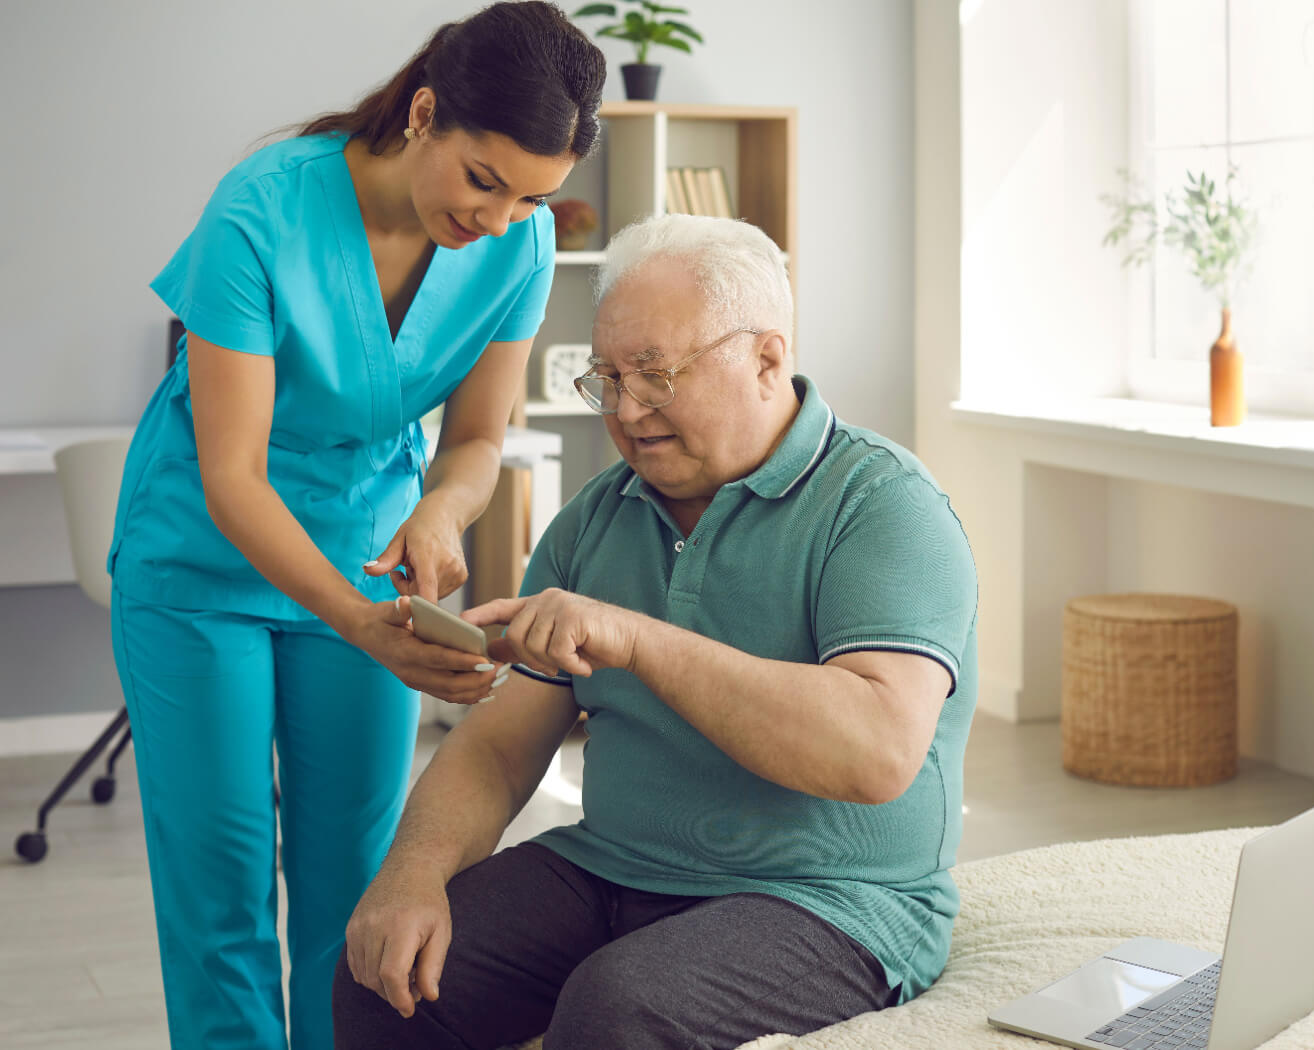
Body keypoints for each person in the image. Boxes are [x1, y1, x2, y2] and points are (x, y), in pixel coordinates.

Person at [332, 214, 980, 1050]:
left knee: (621, 1008)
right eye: (608, 378)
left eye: (656, 375)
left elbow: (876, 751)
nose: (628, 410)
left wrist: (634, 639)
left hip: (834, 899)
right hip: (615, 865)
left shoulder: (883, 505)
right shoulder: (594, 521)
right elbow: (500, 745)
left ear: (767, 359)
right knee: (386, 975)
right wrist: (412, 873)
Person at [105, 5, 605, 1047]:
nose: (503, 218)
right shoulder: (262, 207)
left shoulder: (518, 244)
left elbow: (475, 440)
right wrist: (352, 616)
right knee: (220, 879)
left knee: (355, 874)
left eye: (532, 196)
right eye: (484, 180)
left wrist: (440, 508)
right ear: (425, 112)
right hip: (204, 558)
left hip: (368, 559)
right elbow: (233, 476)